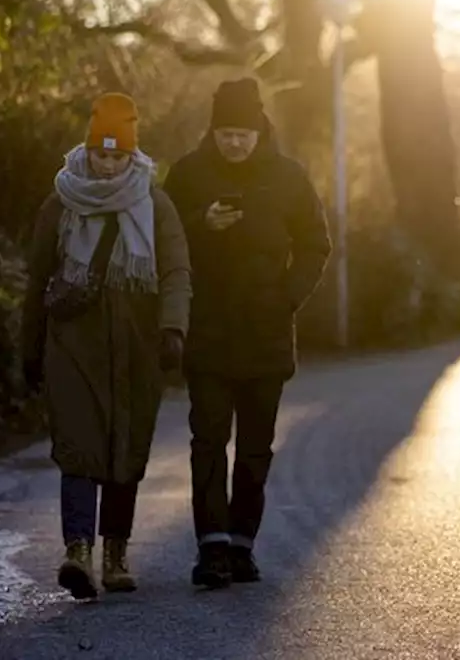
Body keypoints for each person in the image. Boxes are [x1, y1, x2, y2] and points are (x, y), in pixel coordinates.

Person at [21, 93, 191, 599]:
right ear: (88, 149)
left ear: (132, 155)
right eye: (101, 154)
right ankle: (78, 551)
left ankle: (115, 552)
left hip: (137, 348)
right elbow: (36, 282)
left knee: (126, 448)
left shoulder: (156, 204)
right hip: (72, 345)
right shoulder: (59, 202)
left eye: (118, 156)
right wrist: (28, 351)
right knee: (78, 447)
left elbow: (177, 271)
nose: (109, 163)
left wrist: (172, 329)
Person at [163, 78, 331, 589]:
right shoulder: (188, 175)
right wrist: (200, 224)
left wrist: (286, 297)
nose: (234, 143)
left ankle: (242, 544)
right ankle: (211, 544)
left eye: (243, 134)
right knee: (208, 441)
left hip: (266, 332)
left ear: (259, 130)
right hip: (208, 331)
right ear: (213, 130)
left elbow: (315, 245)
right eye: (225, 133)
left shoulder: (289, 177)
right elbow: (162, 241)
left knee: (256, 447)